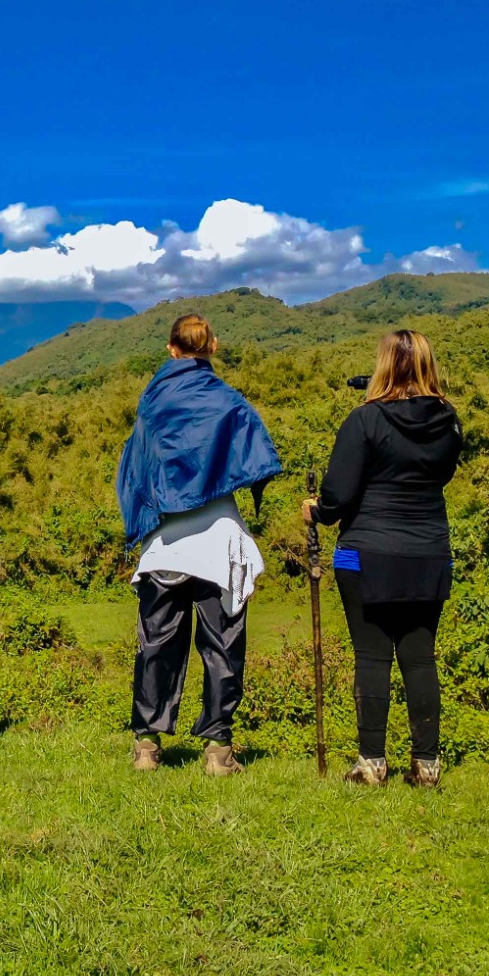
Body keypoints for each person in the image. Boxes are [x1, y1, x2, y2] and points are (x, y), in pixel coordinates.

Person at [115, 314, 282, 776]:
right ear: (212, 347)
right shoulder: (228, 401)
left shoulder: (152, 404)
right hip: (218, 541)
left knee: (156, 645)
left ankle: (147, 748)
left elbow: (137, 468)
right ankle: (218, 752)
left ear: (171, 349)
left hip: (166, 543)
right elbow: (255, 450)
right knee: (223, 646)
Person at [303, 329, 462, 788]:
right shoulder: (449, 421)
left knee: (371, 656)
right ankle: (426, 766)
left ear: (384, 365)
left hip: (364, 552)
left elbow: (338, 494)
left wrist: (317, 510)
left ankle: (371, 762)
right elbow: (442, 477)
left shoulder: (364, 420)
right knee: (420, 657)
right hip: (429, 551)